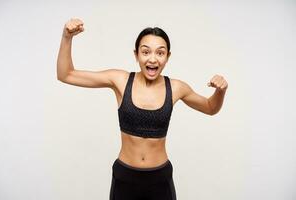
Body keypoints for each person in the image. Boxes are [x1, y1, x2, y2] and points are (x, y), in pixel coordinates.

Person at [57, 18, 228, 200]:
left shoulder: (177, 88)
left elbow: (210, 107)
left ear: (167, 57)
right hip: (125, 177)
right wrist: (67, 37)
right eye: (146, 52)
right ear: (136, 54)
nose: (153, 59)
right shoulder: (120, 81)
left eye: (160, 53)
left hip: (160, 179)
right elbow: (66, 74)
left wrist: (220, 91)